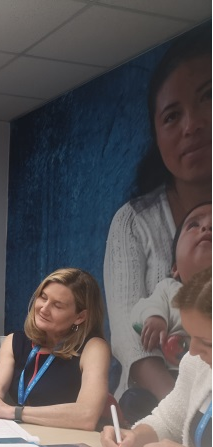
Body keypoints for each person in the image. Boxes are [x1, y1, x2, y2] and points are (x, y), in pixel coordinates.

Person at [104, 23, 212, 402]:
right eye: (171, 115)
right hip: (153, 405)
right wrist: (187, 413)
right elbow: (129, 337)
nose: (192, 125)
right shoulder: (134, 222)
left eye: (208, 97)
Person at [0, 268, 110, 431]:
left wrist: (13, 412)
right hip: (23, 436)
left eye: (57, 305)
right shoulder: (14, 341)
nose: (44, 309)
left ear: (80, 317)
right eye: (43, 297)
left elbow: (87, 416)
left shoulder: (94, 348)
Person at [101, 266, 212, 447]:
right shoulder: (196, 364)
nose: (192, 351)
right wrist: (134, 436)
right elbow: (167, 422)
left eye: (207, 343)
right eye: (190, 336)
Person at [131, 202, 212, 367]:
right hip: (174, 375)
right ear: (175, 268)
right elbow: (142, 308)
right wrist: (155, 318)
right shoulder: (168, 290)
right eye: (194, 225)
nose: (207, 227)